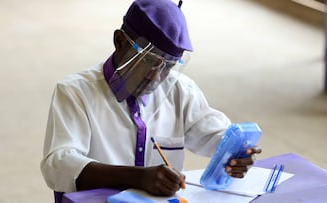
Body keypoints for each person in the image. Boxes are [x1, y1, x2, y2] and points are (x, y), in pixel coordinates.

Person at [40, 0, 262, 197]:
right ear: (119, 40)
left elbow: (215, 135)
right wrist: (138, 177)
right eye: (147, 60)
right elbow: (59, 165)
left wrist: (235, 153)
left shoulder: (180, 90)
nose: (156, 76)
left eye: (168, 66)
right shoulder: (76, 92)